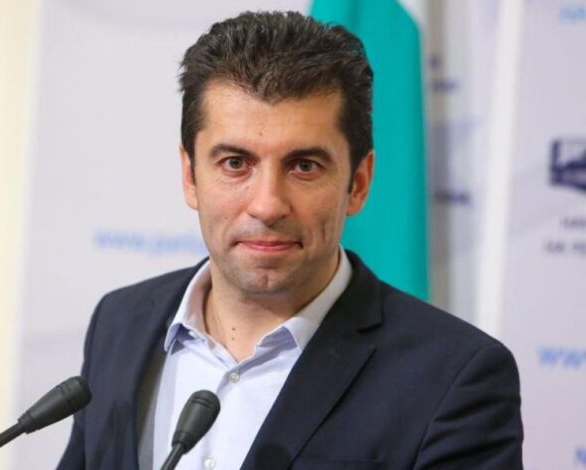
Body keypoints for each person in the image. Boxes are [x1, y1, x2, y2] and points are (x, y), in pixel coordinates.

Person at [57, 11, 523, 470]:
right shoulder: (121, 322)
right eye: (235, 163)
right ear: (190, 176)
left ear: (358, 183)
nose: (267, 205)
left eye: (304, 166)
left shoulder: (454, 377)